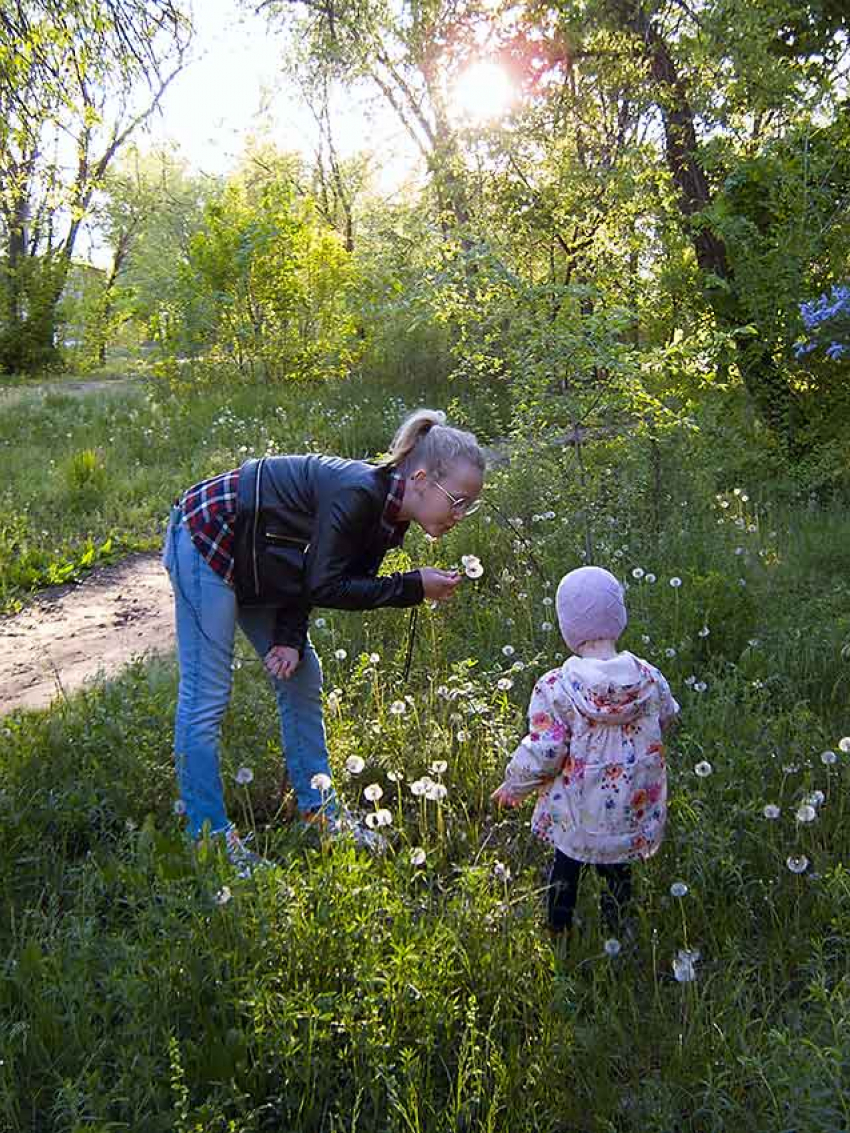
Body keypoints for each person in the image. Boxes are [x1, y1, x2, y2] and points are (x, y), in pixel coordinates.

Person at [162, 408, 485, 872]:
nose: (460, 515)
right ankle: (209, 838)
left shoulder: (388, 520)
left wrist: (290, 637)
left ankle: (318, 811)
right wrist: (413, 586)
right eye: (457, 500)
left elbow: (309, 563)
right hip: (210, 535)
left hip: (261, 555)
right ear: (419, 478)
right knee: (207, 695)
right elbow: (325, 585)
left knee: (301, 675)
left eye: (468, 505)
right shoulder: (358, 495)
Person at [491, 566, 679, 942]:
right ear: (619, 618)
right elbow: (669, 716)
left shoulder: (557, 687)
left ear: (567, 627)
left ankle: (558, 931)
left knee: (566, 870)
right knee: (618, 874)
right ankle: (619, 933)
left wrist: (515, 784)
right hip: (629, 808)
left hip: (575, 815)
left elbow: (545, 750)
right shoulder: (649, 678)